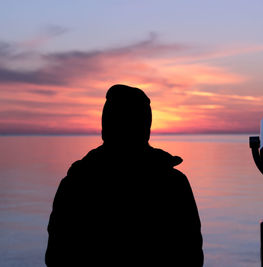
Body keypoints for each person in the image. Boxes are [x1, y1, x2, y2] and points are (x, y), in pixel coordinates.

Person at [45, 84, 203, 266]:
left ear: (105, 125)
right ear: (146, 127)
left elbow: (56, 256)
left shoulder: (76, 183)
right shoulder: (173, 183)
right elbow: (192, 256)